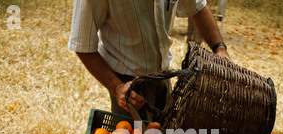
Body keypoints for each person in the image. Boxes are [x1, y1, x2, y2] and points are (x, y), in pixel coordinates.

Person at [68, 0, 231, 120]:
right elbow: (82, 44)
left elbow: (196, 7)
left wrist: (219, 48)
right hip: (128, 86)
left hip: (163, 77)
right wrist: (117, 87)